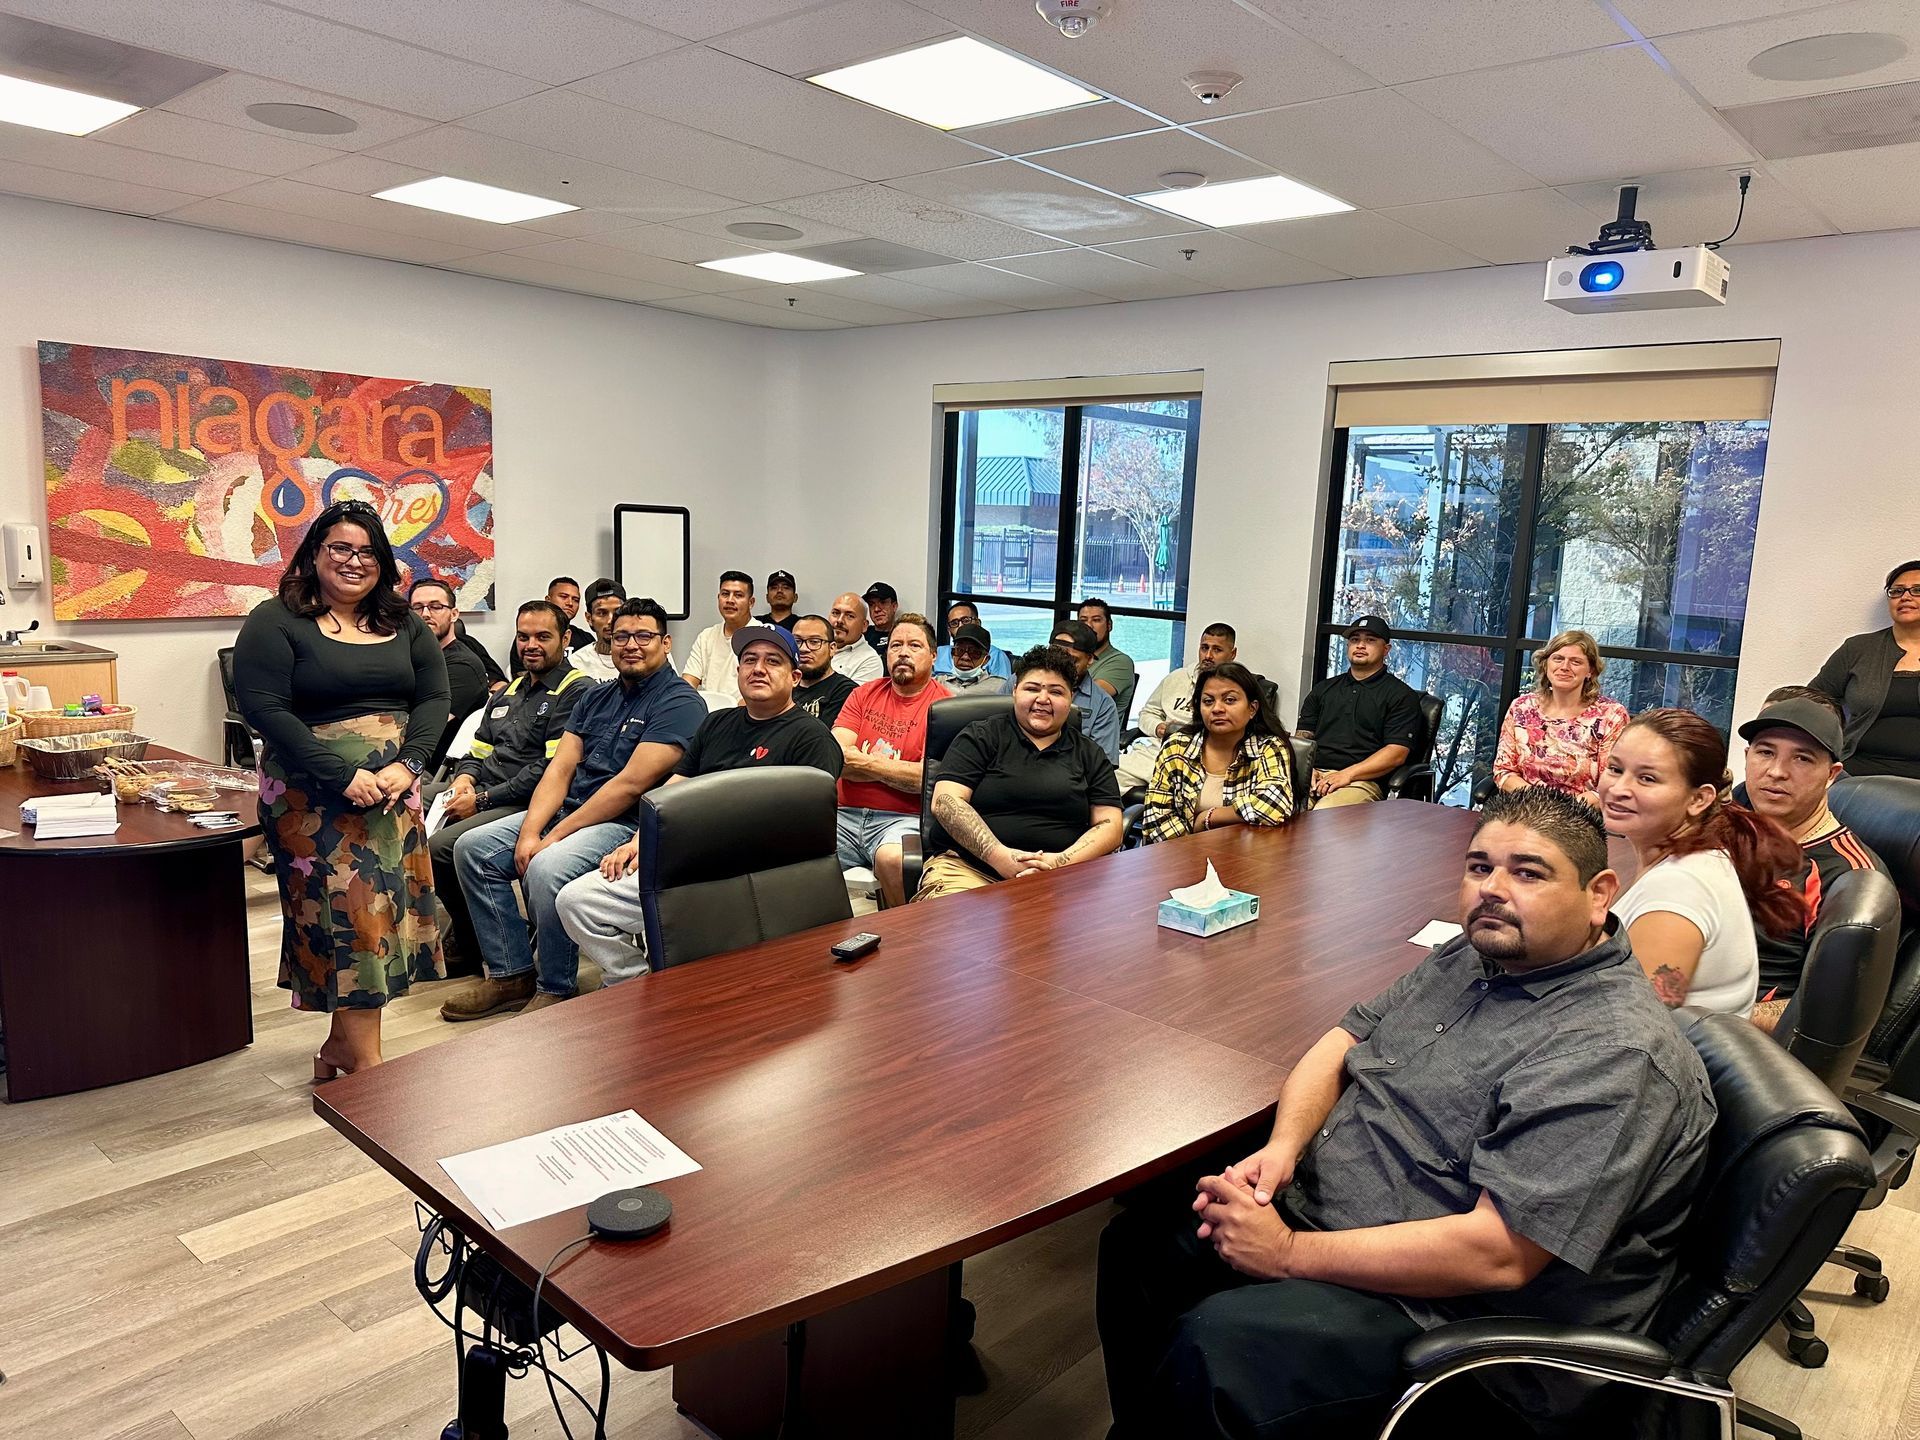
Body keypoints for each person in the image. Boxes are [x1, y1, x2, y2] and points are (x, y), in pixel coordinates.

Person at [1097, 788, 1715, 1439]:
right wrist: (1284, 1148)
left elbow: (1498, 1256)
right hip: (1345, 1214)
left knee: (1219, 1348)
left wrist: (1285, 1254)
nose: (1491, 890)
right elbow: (1343, 1043)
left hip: (1461, 1329)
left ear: (1599, 894)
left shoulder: (1612, 1050)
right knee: (1142, 1247)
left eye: (1528, 872)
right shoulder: (1472, 955)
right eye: (1479, 867)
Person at [232, 499, 447, 1079]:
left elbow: (433, 698)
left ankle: (337, 1050)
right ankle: (372, 1075)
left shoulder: (404, 622)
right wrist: (341, 774)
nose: (354, 561)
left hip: (392, 800)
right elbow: (263, 709)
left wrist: (411, 763)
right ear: (315, 554)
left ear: (383, 561)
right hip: (313, 801)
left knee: (375, 924)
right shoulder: (276, 620)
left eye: (367, 551)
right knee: (350, 925)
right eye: (340, 548)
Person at [442, 598, 706, 1019]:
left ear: (666, 642)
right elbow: (560, 769)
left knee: (547, 866)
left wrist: (553, 837)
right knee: (471, 849)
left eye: (643, 636)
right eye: (621, 636)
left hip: (625, 824)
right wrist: (532, 830)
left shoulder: (680, 702)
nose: (631, 645)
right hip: (573, 811)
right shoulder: (596, 698)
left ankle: (555, 987)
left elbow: (629, 786)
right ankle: (512, 975)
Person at [554, 625, 844, 982]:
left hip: (752, 875)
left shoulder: (812, 738)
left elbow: (807, 835)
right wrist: (638, 843)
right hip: (685, 858)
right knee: (576, 901)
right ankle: (631, 982)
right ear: (737, 670)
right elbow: (671, 794)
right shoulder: (716, 723)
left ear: (795, 676)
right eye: (749, 660)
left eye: (773, 661)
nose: (758, 669)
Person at [425, 600, 595, 973]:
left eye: (542, 637)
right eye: (523, 636)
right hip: (484, 788)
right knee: (411, 802)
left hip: (528, 802)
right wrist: (466, 779)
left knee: (440, 847)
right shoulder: (509, 690)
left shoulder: (576, 691)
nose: (530, 645)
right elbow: (477, 749)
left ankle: (471, 942)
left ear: (565, 639)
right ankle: (427, 930)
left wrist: (482, 799)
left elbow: (550, 769)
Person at [1598, 707, 1801, 1014]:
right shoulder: (1700, 858)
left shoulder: (1678, 890)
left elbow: (1630, 1028)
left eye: (1647, 778)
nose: (1618, 789)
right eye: (1615, 769)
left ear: (1699, 799)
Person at [916, 644, 1124, 899]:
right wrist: (1001, 857)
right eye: (1032, 688)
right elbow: (946, 802)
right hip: (971, 869)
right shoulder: (980, 736)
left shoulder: (1089, 753)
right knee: (962, 931)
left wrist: (1057, 863)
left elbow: (1110, 825)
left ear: (1071, 699)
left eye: (1056, 691)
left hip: (1065, 874)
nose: (1042, 699)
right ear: (1014, 691)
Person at [1737, 694, 1890, 1033]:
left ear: (1832, 774)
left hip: (1732, 1043)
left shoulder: (1850, 876)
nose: (1776, 772)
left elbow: (1829, 1009)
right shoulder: (1729, 828)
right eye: (1765, 752)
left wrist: (1708, 1008)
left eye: (1802, 759)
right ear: (1747, 757)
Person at [833, 614, 951, 907]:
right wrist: (896, 771)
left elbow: (926, 781)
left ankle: (904, 940)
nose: (903, 652)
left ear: (933, 655)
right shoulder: (863, 694)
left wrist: (865, 764)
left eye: (914, 645)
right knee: (791, 846)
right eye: (896, 645)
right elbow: (836, 756)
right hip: (843, 814)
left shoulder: (946, 707)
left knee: (891, 859)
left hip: (903, 820)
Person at [1140, 662, 1296, 843]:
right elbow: (1155, 818)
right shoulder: (1177, 747)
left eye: (1230, 700)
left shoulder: (1268, 747)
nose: (1217, 709)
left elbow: (1275, 805)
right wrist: (1193, 849)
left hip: (1247, 854)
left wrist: (1208, 818)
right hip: (1182, 855)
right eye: (1208, 701)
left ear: (1252, 709)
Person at [1491, 629, 1629, 807]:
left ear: (1591, 671)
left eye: (1576, 662)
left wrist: (1560, 811)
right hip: (1524, 810)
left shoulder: (1611, 715)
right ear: (1546, 664)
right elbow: (1503, 771)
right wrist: (1539, 804)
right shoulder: (1522, 707)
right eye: (1558, 658)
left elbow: (1611, 783)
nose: (1565, 667)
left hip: (1580, 817)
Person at [1295, 616, 1421, 808]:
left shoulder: (1401, 696)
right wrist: (1306, 769)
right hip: (1314, 775)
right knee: (1274, 807)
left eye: (1370, 640)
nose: (1360, 645)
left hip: (1361, 781)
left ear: (1386, 649)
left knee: (1323, 816)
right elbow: (1303, 739)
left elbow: (1396, 753)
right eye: (1355, 640)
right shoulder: (1323, 689)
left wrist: (1347, 774)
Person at [1810, 559, 1920, 778]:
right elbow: (1813, 700)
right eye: (1897, 591)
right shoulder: (1859, 649)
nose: (1905, 597)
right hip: (1858, 770)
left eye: (1917, 590)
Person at [1119, 623, 1237, 789]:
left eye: (1217, 650)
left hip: (1201, 758)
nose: (1208, 655)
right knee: (1105, 775)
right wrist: (1157, 727)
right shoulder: (1177, 678)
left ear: (1232, 654)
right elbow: (1148, 712)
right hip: (1157, 750)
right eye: (1204, 648)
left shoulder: (1238, 689)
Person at [408, 577, 489, 769]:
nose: (425, 614)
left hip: (429, 770)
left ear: (454, 614)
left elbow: (426, 727)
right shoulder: (409, 656)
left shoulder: (462, 666)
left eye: (436, 607)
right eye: (417, 608)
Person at [1049, 620, 1122, 763]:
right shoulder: (1020, 683)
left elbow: (1102, 766)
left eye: (1072, 661)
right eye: (1054, 658)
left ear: (1089, 659)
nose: (1061, 667)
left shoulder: (1103, 705)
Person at [682, 570, 756, 704]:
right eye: (725, 594)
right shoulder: (706, 636)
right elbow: (688, 683)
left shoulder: (763, 636)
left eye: (738, 595)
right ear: (718, 597)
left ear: (751, 602)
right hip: (708, 713)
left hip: (745, 715)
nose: (730, 600)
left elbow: (759, 693)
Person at [509, 576, 589, 674]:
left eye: (575, 599)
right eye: (563, 597)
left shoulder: (586, 639)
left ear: (565, 639)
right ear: (548, 600)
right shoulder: (526, 640)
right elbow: (522, 675)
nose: (570, 603)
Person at [792, 613, 858, 727]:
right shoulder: (783, 684)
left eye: (814, 642)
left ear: (832, 649)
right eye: (797, 641)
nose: (803, 649)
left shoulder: (846, 691)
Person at [1079, 596, 1138, 721]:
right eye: (1083, 620)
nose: (1089, 626)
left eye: (1096, 620)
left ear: (1109, 625)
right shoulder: (1074, 657)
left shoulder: (1121, 662)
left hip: (1095, 735)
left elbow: (1086, 698)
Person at [934, 599, 1014, 681]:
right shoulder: (939, 653)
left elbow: (1003, 689)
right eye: (954, 623)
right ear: (949, 631)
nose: (961, 626)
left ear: (978, 623)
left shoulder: (996, 655)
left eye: (966, 621)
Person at [568, 577, 626, 682]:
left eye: (617, 612)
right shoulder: (576, 663)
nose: (610, 620)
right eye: (602, 613)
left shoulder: (642, 656)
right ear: (589, 618)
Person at [935, 621, 1009, 695]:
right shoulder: (937, 683)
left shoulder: (1000, 687)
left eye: (974, 653)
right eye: (960, 650)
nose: (965, 657)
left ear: (986, 659)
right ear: (952, 654)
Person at [828, 591, 883, 682]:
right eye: (835, 613)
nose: (840, 620)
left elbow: (851, 696)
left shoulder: (870, 661)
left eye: (850, 616)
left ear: (864, 625)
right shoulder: (814, 646)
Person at [863, 581, 899, 653]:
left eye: (882, 602)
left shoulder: (902, 634)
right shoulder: (862, 636)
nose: (876, 609)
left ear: (894, 606)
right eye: (871, 604)